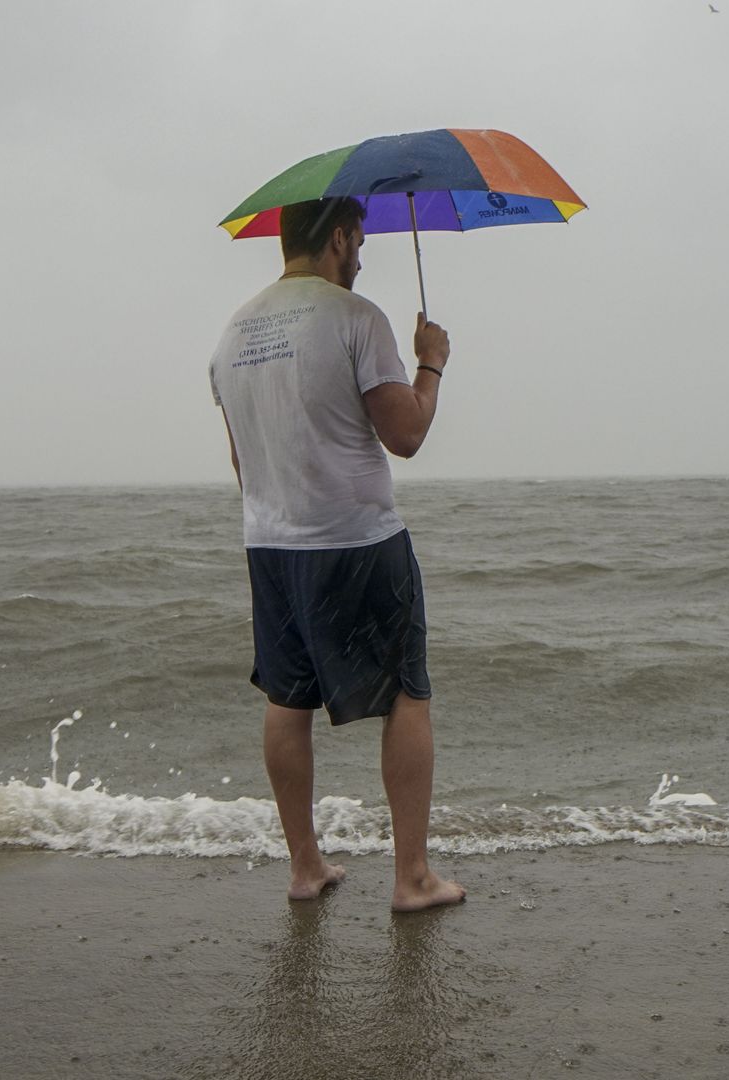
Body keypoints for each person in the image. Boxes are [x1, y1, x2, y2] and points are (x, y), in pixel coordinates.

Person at [207, 195, 467, 912]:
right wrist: (431, 364)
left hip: (270, 544)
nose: (361, 256)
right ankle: (412, 878)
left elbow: (243, 461)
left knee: (287, 699)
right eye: (359, 241)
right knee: (407, 693)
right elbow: (406, 434)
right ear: (339, 238)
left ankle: (305, 869)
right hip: (358, 541)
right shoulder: (358, 320)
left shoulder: (231, 333)